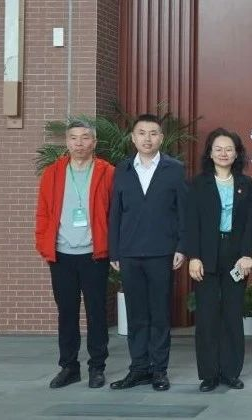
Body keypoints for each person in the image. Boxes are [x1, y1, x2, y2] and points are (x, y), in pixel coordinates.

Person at [108, 114, 188, 392]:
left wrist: (181, 247)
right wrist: (114, 251)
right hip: (129, 253)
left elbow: (183, 212)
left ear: (161, 138)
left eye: (153, 133)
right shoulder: (122, 169)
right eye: (141, 133)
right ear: (133, 138)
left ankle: (159, 370)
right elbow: (115, 213)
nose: (147, 138)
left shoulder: (174, 169)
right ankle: (138, 368)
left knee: (159, 314)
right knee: (136, 314)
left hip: (161, 252)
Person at [35, 120, 115, 389]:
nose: (79, 143)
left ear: (94, 142)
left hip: (94, 254)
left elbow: (115, 213)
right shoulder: (53, 173)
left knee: (96, 312)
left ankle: (97, 367)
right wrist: (43, 244)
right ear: (67, 142)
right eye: (73, 138)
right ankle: (69, 367)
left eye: (85, 137)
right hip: (61, 254)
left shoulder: (107, 172)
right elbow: (43, 213)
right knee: (67, 313)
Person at [184, 128, 252, 392]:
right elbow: (191, 223)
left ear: (237, 154)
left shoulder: (246, 184)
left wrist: (247, 254)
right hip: (206, 255)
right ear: (210, 153)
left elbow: (251, 224)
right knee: (207, 316)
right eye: (218, 149)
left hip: (236, 256)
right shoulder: (197, 183)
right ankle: (209, 374)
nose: (224, 154)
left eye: (229, 149)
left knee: (232, 314)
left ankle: (230, 371)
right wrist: (194, 257)